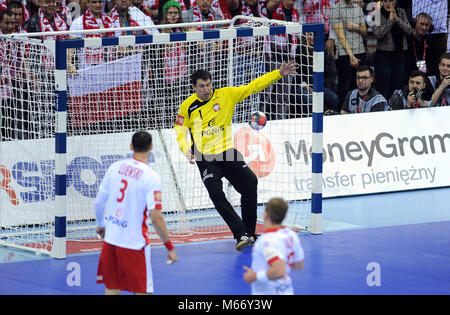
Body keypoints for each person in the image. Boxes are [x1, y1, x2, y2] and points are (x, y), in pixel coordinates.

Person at [174, 60, 298, 251]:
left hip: (227, 152)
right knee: (216, 193)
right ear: (193, 87)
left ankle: (249, 233)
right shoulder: (187, 106)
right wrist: (185, 149)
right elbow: (180, 128)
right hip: (204, 157)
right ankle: (239, 233)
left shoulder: (226, 95)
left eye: (208, 85)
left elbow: (252, 87)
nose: (206, 89)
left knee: (250, 184)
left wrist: (278, 74)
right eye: (201, 86)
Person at [95, 131, 178, 295]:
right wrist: (169, 246)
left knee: (112, 287)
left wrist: (101, 225)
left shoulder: (115, 167)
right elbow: (156, 217)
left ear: (131, 146)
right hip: (134, 243)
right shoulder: (151, 177)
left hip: (111, 240)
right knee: (142, 290)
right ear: (151, 147)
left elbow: (99, 201)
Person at [242, 197, 304, 295]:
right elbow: (298, 264)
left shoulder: (266, 241)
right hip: (286, 290)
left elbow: (279, 270)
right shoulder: (291, 235)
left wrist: (255, 276)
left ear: (266, 214)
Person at [330, 0, 367, 111]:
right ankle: (343, 113)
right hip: (344, 54)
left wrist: (356, 27)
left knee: (361, 86)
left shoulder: (358, 8)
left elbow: (365, 31)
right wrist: (351, 56)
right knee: (345, 88)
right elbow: (340, 36)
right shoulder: (336, 9)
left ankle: (360, 111)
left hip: (360, 51)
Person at [372, 0, 412, 100]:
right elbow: (378, 34)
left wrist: (397, 19)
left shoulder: (401, 12)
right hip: (383, 58)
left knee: (396, 89)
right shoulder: (376, 15)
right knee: (384, 89)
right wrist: (390, 21)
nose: (388, 3)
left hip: (399, 56)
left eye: (390, 0)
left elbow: (409, 31)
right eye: (385, 1)